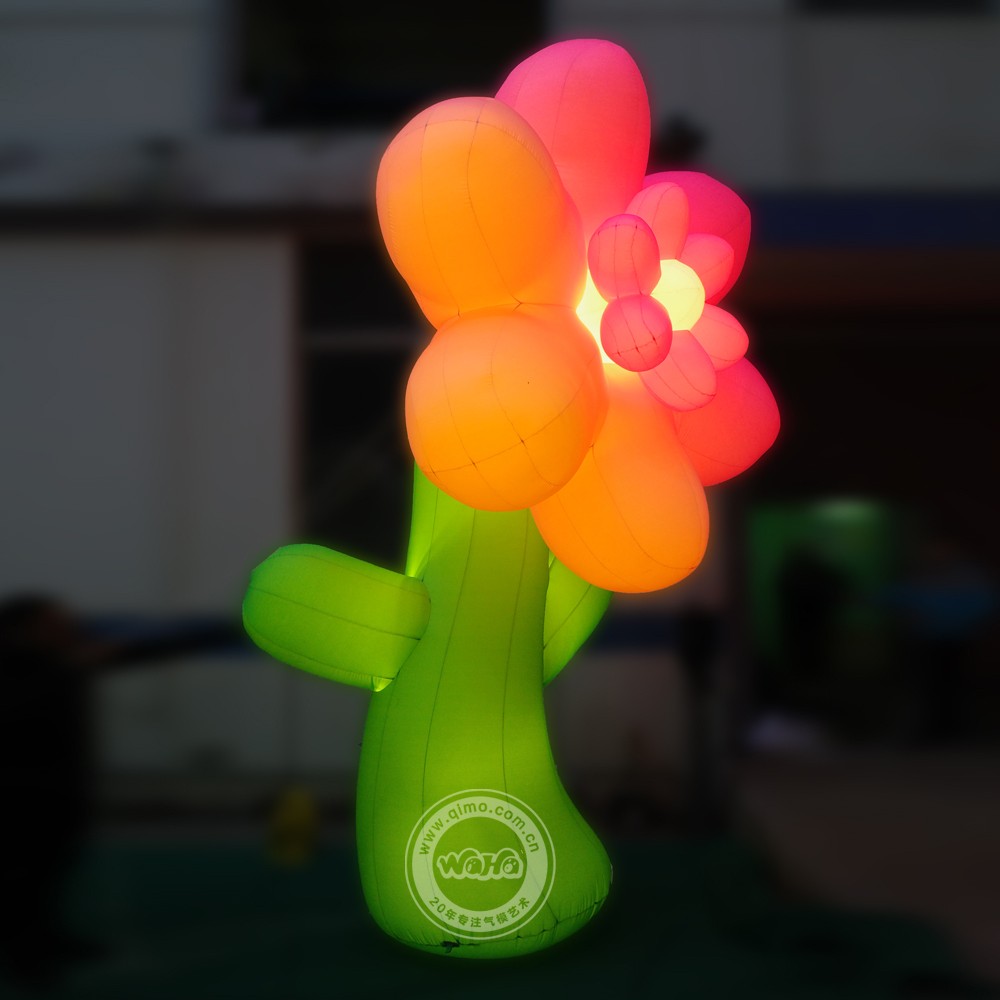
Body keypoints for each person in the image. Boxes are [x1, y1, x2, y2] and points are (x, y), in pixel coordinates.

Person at [0, 595, 239, 988]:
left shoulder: (66, 659)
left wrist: (231, 630)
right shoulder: (25, 668)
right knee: (23, 876)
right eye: (55, 624)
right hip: (17, 795)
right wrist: (59, 670)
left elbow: (151, 649)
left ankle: (48, 937)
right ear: (24, 631)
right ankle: (24, 954)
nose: (69, 628)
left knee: (53, 870)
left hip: (61, 788)